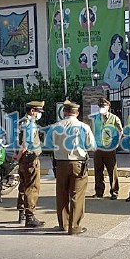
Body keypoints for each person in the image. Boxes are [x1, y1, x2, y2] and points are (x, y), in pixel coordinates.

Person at [52, 100, 96, 235]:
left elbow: (52, 144)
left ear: (64, 112)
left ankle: (63, 224)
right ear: (77, 113)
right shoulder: (83, 127)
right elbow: (92, 146)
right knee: (77, 195)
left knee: (62, 194)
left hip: (60, 163)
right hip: (78, 163)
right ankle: (74, 226)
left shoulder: (56, 127)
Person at [15, 100, 46, 228]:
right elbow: (25, 145)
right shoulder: (30, 125)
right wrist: (19, 156)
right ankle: (30, 217)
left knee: (23, 185)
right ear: (32, 111)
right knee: (32, 187)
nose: (39, 114)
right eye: (38, 111)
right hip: (30, 158)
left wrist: (18, 156)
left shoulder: (22, 122)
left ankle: (22, 213)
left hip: (24, 159)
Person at [89, 97, 123, 200]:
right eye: (100, 107)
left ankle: (114, 192)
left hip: (109, 148)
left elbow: (120, 131)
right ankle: (99, 192)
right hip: (98, 148)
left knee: (112, 170)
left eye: (104, 106)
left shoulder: (114, 118)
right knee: (98, 170)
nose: (102, 108)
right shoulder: (94, 118)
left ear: (108, 107)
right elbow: (90, 131)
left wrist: (116, 143)